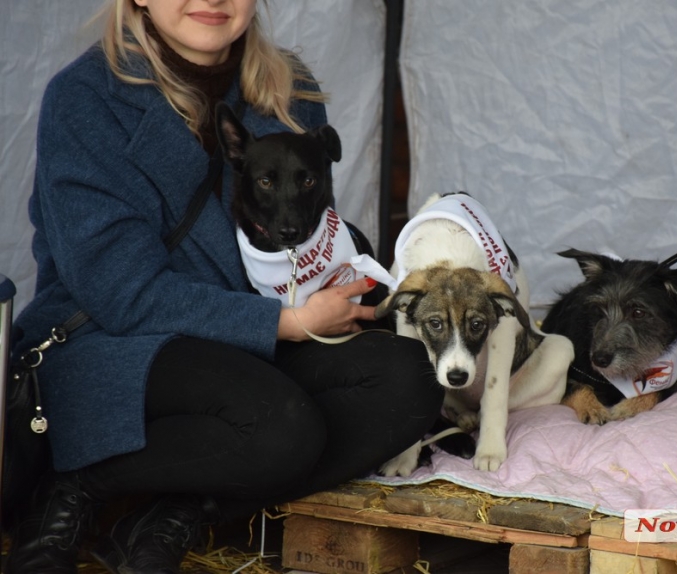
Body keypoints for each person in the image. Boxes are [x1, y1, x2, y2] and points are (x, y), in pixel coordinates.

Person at [4, 1, 444, 572]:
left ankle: (179, 505)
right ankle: (74, 486)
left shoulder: (288, 86)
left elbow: (304, 228)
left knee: (410, 376)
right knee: (282, 427)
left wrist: (344, 276)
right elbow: (121, 292)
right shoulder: (86, 97)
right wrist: (288, 323)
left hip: (249, 332)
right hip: (117, 341)